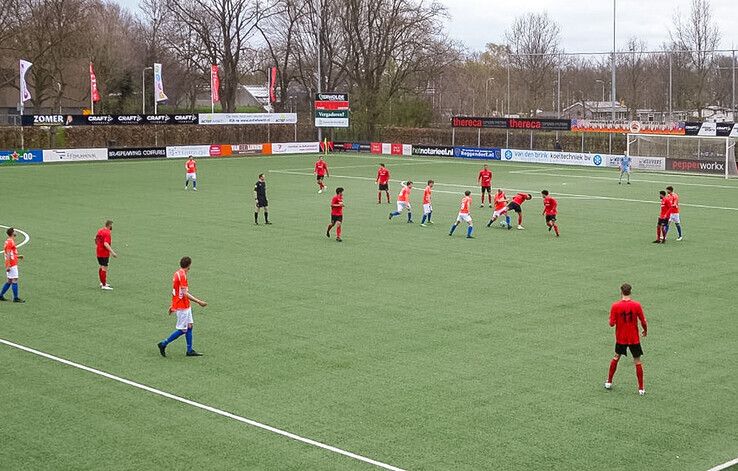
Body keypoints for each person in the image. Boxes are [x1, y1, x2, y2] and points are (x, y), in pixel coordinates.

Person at [157, 256, 207, 357]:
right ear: (189, 265)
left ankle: (189, 350)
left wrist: (172, 305)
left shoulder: (177, 273)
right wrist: (199, 301)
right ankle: (163, 343)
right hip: (182, 307)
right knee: (182, 330)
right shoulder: (182, 276)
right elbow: (184, 293)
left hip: (185, 305)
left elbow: (175, 291)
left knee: (189, 326)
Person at [605, 283, 648, 396]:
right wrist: (645, 330)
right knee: (637, 361)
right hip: (634, 338)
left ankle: (609, 382)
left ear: (621, 292)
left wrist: (612, 318)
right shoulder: (636, 305)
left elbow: (611, 324)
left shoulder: (615, 306)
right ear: (630, 291)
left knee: (616, 357)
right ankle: (641, 389)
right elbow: (643, 321)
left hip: (621, 338)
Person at [1, 228, 24, 302]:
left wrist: (18, 256)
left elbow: (10, 253)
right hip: (12, 264)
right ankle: (15, 298)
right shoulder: (10, 242)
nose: (16, 232)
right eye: (14, 231)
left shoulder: (9, 241)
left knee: (9, 280)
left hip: (11, 262)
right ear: (12, 233)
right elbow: (7, 254)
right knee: (14, 279)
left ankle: (0, 295)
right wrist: (8, 265)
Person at [95, 220, 117, 290]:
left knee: (101, 266)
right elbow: (106, 244)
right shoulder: (107, 233)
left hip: (98, 252)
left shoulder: (100, 230)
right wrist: (112, 252)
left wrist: (98, 245)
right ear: (110, 225)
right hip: (104, 253)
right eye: (112, 225)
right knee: (104, 267)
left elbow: (95, 239)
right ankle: (104, 285)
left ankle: (102, 282)